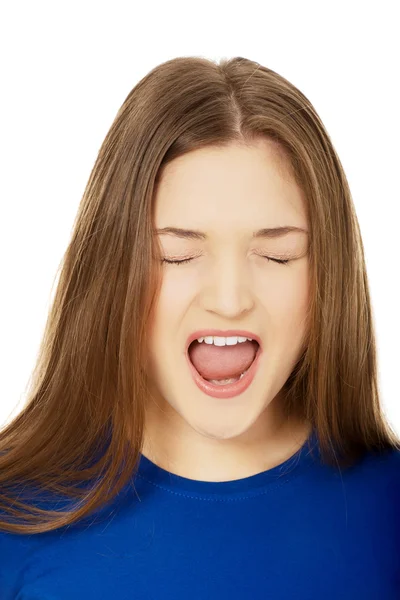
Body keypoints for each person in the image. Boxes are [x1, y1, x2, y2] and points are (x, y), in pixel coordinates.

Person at [0, 56, 399, 599]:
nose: (230, 301)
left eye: (278, 255)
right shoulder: (14, 517)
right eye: (177, 255)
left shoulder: (388, 509)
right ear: (111, 271)